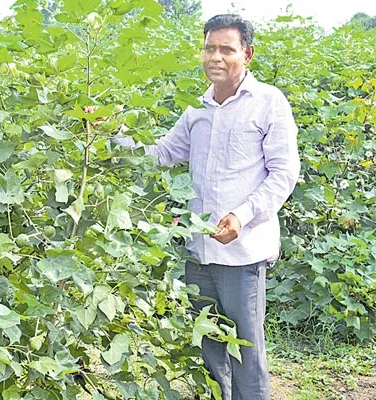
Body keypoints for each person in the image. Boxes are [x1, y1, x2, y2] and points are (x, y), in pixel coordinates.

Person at [110, 14, 300, 400]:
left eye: (227, 49)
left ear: (247, 53)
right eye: (210, 48)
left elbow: (284, 174)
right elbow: (162, 153)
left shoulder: (268, 103)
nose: (216, 57)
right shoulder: (196, 109)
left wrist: (242, 216)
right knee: (210, 349)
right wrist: (111, 137)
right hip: (198, 249)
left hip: (242, 252)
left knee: (245, 350)